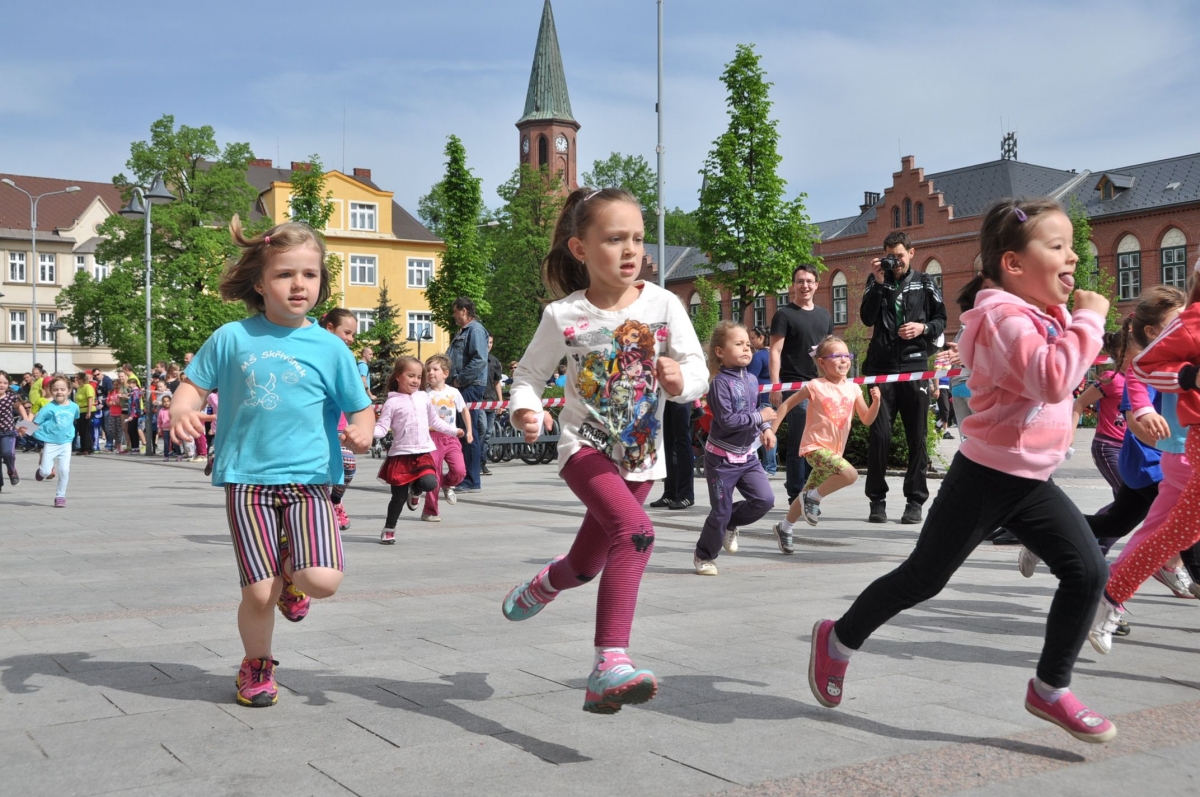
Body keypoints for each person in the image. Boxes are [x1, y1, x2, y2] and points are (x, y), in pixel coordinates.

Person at [809, 197, 1117, 744]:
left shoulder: (1041, 315)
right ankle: (837, 640)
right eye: (1058, 246)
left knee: (1089, 571)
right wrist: (1092, 319)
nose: (1073, 258)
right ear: (1014, 264)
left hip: (1028, 480)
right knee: (923, 579)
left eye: (1072, 246)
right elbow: (1050, 378)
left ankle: (1049, 689)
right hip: (986, 476)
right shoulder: (1003, 318)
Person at [501, 186, 707, 714]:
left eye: (637, 238)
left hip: (641, 459)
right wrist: (525, 408)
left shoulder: (665, 304)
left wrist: (681, 378)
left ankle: (547, 583)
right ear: (581, 249)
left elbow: (698, 371)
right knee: (636, 533)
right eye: (615, 239)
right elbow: (527, 375)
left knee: (587, 564)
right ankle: (608, 663)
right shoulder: (562, 315)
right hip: (584, 449)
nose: (631, 249)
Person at [169, 215, 373, 708]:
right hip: (247, 479)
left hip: (309, 480)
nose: (299, 284)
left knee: (322, 581)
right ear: (260, 282)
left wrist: (363, 427)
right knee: (258, 595)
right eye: (285, 274)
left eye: (309, 274)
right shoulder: (231, 338)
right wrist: (182, 407)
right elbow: (194, 384)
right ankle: (256, 665)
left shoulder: (330, 347)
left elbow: (360, 404)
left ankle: (291, 575)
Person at [1090, 265, 1200, 651]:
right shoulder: (1187, 326)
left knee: (1150, 528)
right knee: (1155, 529)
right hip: (1162, 455)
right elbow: (1140, 375)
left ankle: (1108, 595)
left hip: (1172, 456)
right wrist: (1146, 410)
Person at [859, 230, 947, 524]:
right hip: (881, 369)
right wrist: (880, 284)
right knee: (880, 435)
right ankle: (877, 500)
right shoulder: (876, 280)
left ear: (911, 252)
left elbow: (941, 319)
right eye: (889, 255)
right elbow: (867, 318)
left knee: (917, 436)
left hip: (914, 367)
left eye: (899, 255)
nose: (894, 261)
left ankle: (914, 500)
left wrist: (921, 329)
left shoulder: (925, 282)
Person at [771, 337, 880, 549]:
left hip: (834, 453)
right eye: (836, 356)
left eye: (846, 355)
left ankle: (784, 528)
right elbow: (786, 405)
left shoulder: (854, 388)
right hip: (814, 447)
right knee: (850, 474)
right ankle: (813, 498)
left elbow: (867, 419)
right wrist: (771, 432)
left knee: (804, 494)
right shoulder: (815, 386)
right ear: (822, 362)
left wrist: (876, 402)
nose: (844, 360)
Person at [692, 322, 776, 575]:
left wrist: (766, 429)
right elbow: (728, 421)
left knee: (765, 500)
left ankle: (730, 523)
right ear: (720, 352)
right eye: (738, 344)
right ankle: (703, 556)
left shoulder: (751, 379)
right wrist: (760, 419)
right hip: (721, 461)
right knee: (720, 511)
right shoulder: (718, 383)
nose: (746, 349)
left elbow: (753, 411)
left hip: (747, 457)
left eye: (748, 345)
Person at [374, 356, 458, 542]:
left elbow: (435, 421)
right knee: (398, 498)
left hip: (422, 452)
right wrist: (367, 432)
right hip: (401, 455)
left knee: (430, 483)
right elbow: (382, 427)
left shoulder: (423, 397)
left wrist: (453, 431)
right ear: (398, 376)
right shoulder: (392, 402)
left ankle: (416, 491)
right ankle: (389, 528)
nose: (415, 381)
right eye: (411, 376)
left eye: (419, 377)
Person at [769, 265, 834, 506]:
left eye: (809, 281)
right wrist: (776, 387)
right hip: (795, 387)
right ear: (792, 285)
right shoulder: (784, 315)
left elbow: (830, 351)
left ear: (817, 284)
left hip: (821, 386)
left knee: (818, 442)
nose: (804, 285)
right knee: (799, 441)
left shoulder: (825, 316)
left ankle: (811, 489)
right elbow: (774, 352)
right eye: (799, 281)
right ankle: (796, 493)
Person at [321, 308, 364, 531]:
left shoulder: (346, 358)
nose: (350, 339)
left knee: (348, 465)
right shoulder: (314, 352)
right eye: (346, 333)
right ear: (330, 328)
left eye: (353, 335)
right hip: (311, 428)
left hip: (338, 426)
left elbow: (355, 397)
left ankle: (335, 501)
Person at [447, 297, 489, 492]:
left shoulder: (476, 331)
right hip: (463, 387)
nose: (454, 315)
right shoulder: (464, 332)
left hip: (470, 387)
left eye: (455, 311)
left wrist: (459, 380)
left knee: (468, 433)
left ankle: (472, 480)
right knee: (462, 432)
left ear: (463, 311)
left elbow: (480, 359)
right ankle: (464, 477)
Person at [423, 354, 471, 521]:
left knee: (459, 470)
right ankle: (430, 511)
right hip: (431, 438)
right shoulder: (424, 395)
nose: (431, 373)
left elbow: (464, 410)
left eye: (435, 369)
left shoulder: (453, 392)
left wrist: (469, 431)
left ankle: (447, 483)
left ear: (445, 373)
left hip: (450, 437)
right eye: (428, 370)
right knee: (433, 476)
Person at [32, 375, 80, 507]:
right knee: (47, 472)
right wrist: (22, 430)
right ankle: (41, 471)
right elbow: (36, 422)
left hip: (66, 443)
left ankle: (60, 496)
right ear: (51, 391)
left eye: (62, 389)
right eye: (55, 389)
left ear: (69, 390)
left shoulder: (74, 407)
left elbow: (74, 419)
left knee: (64, 470)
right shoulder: (48, 407)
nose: (59, 392)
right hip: (51, 443)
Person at [748, 326, 776, 474]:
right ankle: (770, 465)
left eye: (752, 338)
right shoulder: (775, 354)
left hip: (763, 399)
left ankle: (769, 466)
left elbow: (750, 377)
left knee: (765, 432)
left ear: (761, 338)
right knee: (771, 431)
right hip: (776, 396)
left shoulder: (758, 357)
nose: (750, 342)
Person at [0, 370, 31, 489]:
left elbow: (20, 407)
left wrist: (26, 419)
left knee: (8, 453)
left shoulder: (10, 397)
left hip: (7, 432)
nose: (1, 385)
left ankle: (12, 470)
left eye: (5, 383)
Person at [72, 372, 96, 456]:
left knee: (86, 430)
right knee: (81, 430)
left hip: (87, 410)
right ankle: (83, 448)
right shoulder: (80, 388)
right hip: (80, 411)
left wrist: (89, 412)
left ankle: (88, 448)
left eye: (77, 378)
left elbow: (90, 399)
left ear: (82, 379)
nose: (76, 380)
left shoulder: (88, 387)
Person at [157, 396, 175, 460]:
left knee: (175, 442)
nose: (166, 403)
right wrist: (159, 428)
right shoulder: (161, 411)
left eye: (168, 401)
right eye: (164, 402)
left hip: (173, 428)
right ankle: (166, 456)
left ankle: (179, 454)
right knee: (166, 443)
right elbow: (159, 420)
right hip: (165, 429)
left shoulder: (173, 409)